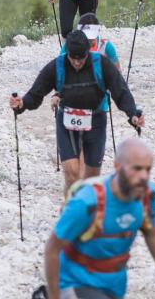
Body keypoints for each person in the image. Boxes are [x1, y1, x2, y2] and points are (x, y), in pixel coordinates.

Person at [38, 138, 155, 299]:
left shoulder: (147, 196)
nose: (144, 176)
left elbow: (152, 233)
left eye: (148, 170)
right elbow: (52, 249)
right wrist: (55, 296)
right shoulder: (87, 202)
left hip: (113, 286)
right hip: (74, 283)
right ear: (117, 166)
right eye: (137, 168)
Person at [9, 31, 143, 191]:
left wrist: (133, 114)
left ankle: (88, 213)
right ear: (67, 54)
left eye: (81, 58)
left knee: (91, 180)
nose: (77, 62)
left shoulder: (102, 64)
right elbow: (36, 92)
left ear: (88, 52)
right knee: (72, 174)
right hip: (67, 123)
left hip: (96, 121)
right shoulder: (57, 66)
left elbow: (121, 91)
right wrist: (22, 103)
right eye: (73, 58)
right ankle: (72, 212)